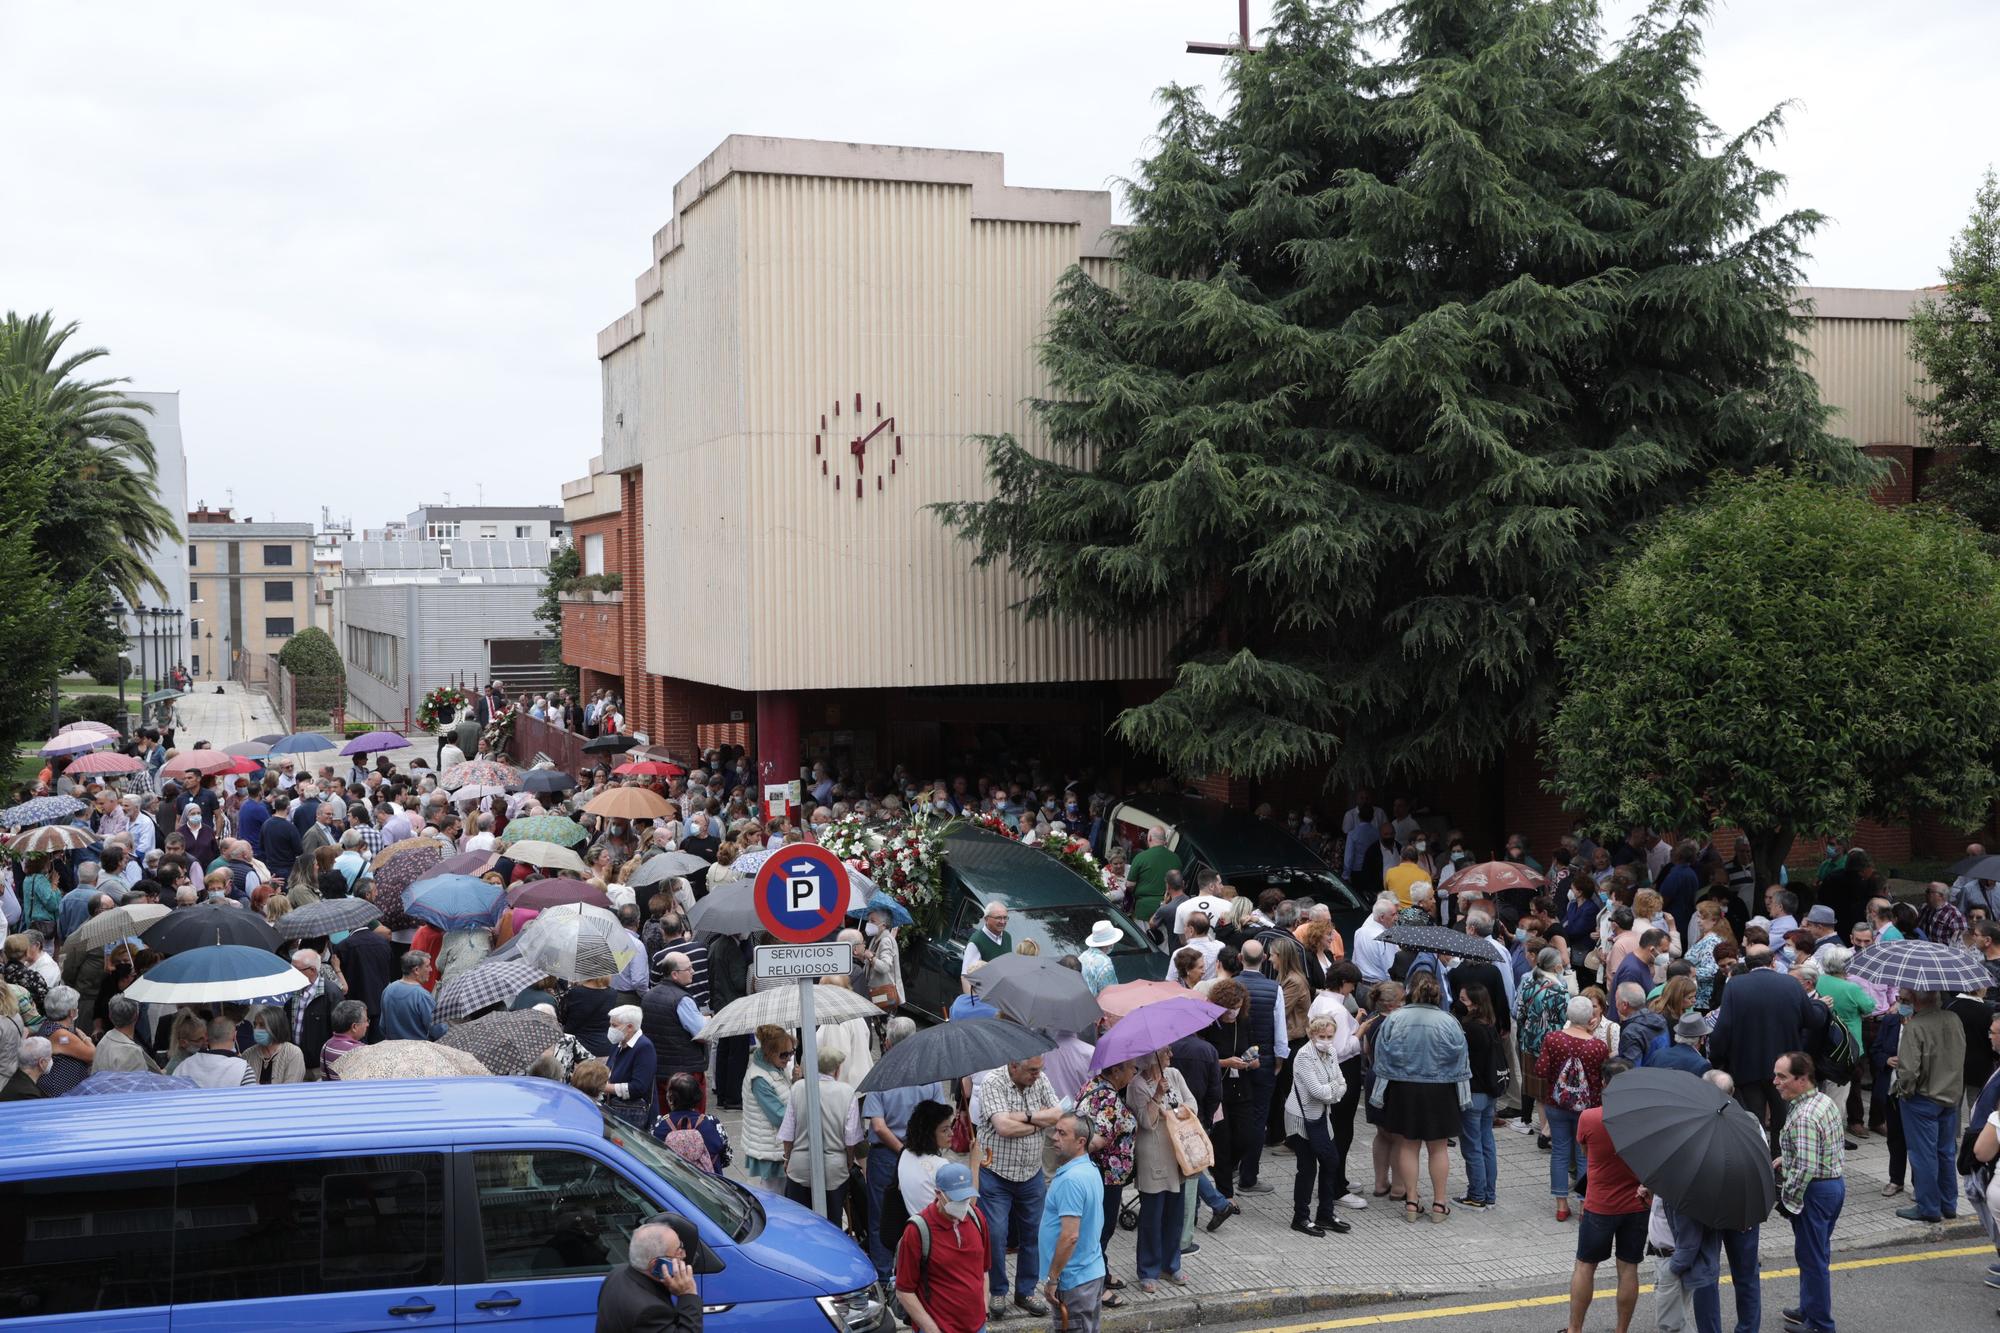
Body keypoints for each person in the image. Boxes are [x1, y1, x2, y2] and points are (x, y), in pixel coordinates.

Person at [1369, 971, 1469, 1222]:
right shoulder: (1449, 1021)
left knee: (1407, 1145)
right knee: (1438, 1149)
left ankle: (1411, 1202)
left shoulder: (1395, 1019)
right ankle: (1439, 1204)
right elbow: (1461, 1059)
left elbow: (1381, 1055)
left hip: (1404, 1089)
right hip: (1440, 1090)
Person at [861, 1017, 947, 1284]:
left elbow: (878, 1124)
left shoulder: (880, 1074)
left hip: (888, 1156)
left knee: (881, 1217)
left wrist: (902, 1151)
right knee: (924, 1214)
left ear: (887, 1042)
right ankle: (921, 1270)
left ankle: (886, 1278)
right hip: (924, 1155)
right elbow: (941, 1116)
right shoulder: (929, 1073)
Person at [977, 1055, 1061, 1319]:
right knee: (996, 1236)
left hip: (1031, 1173)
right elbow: (1003, 1127)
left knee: (1034, 1235)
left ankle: (1025, 1291)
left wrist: (1023, 1117)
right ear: (1014, 1066)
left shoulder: (1041, 1079)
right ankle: (998, 1291)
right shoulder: (993, 1082)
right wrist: (1038, 1124)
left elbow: (1058, 1114)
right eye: (1031, 1070)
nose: (1037, 1075)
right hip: (995, 1174)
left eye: (1039, 1070)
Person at [1563, 1058, 1643, 1333]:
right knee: (1629, 1267)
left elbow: (1586, 1154)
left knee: (1585, 1265)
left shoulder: (1590, 1117)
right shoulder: (1644, 1119)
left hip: (1600, 1205)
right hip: (1636, 1203)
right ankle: (1621, 1329)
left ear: (1604, 1084)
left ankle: (1575, 1329)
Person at [1710, 946, 1823, 1137]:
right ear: (1773, 962)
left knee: (1754, 1120)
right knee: (1784, 1118)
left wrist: (1717, 1058)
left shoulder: (1735, 985)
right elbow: (1812, 1019)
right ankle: (1780, 1158)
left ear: (1746, 963)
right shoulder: (1791, 984)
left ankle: (1759, 1159)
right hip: (1785, 1067)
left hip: (1747, 1066)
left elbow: (1723, 1028)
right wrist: (1820, 1005)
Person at [1775, 1050, 1846, 1333]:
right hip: (1832, 1186)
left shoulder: (1803, 1115)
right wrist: (1786, 1158)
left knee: (1813, 1259)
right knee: (1812, 1254)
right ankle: (1808, 1309)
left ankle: (1819, 1324)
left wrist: (1787, 1200)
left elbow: (1805, 1167)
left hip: (1814, 1192)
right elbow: (1822, 1146)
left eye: (1782, 1077)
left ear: (1802, 1079)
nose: (1775, 1082)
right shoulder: (1821, 1100)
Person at [1895, 988, 1966, 1224]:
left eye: (1904, 998)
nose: (1902, 1002)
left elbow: (1908, 1071)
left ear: (1915, 999)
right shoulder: (1954, 1018)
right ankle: (1949, 1203)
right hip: (1950, 1095)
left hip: (1923, 1098)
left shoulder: (1915, 1026)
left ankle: (1928, 1207)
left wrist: (1905, 1091)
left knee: (1923, 1155)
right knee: (1946, 1152)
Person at [1127, 1047, 1194, 1294]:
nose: (1171, 1055)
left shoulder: (1174, 1075)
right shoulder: (1137, 1085)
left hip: (1178, 1152)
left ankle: (1171, 1264)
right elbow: (1146, 1121)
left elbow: (1192, 1103)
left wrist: (1174, 1113)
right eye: (1166, 1051)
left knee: (1175, 1215)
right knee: (1151, 1218)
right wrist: (1157, 1096)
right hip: (1153, 1155)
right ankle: (1148, 1270)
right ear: (1150, 1056)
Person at [1538, 996, 1610, 1222]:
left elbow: (1541, 1069)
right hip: (1587, 1109)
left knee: (1559, 1152)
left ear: (1568, 1016)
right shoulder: (1598, 1046)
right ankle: (1584, 1206)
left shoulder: (1553, 1039)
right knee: (1585, 1155)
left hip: (1556, 1104)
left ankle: (1561, 1206)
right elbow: (1603, 1078)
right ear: (1591, 1018)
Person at [894, 1162, 989, 1333]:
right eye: (956, 1198)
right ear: (938, 1193)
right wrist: (931, 1329)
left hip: (977, 1326)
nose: (962, 1203)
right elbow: (904, 1291)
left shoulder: (977, 1218)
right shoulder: (917, 1231)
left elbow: (983, 1270)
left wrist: (984, 1312)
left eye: (966, 1197)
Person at [1074, 1059, 1138, 1303]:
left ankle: (1103, 1271)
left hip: (1103, 1173)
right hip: (1104, 1174)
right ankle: (1095, 1286)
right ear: (1116, 1069)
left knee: (1098, 1227)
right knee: (1100, 1229)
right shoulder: (1109, 1098)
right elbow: (1097, 1139)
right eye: (1132, 1068)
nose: (1134, 1072)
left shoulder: (1092, 1085)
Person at [1037, 1112, 1107, 1332]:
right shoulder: (1089, 1169)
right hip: (1090, 1274)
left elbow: (1070, 1236)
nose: (1054, 1137)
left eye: (1062, 1133)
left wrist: (1052, 1278)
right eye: (1055, 1131)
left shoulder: (1071, 1180)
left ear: (1080, 1142)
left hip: (1073, 1281)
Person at [1286, 1011, 1355, 1233]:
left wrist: (1332, 1090)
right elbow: (1318, 1092)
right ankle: (1301, 1218)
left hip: (1322, 1116)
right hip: (1302, 1118)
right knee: (1307, 1168)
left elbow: (1342, 1082)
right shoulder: (1304, 1056)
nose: (1326, 1041)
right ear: (1311, 1033)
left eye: (1329, 1036)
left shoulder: (1332, 1052)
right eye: (1321, 1036)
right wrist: (1334, 1090)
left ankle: (1325, 1214)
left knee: (1331, 1161)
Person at [779, 1047, 864, 1225]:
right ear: (837, 1069)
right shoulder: (847, 1092)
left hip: (799, 1166)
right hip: (834, 1169)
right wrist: (848, 1160)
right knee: (831, 1225)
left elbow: (788, 1133)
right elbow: (850, 1138)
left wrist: (787, 1158)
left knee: (799, 1223)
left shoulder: (798, 1088)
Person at [594, 1216, 702, 1333]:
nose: (684, 1255)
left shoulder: (616, 1274)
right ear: (657, 1264)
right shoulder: (650, 1311)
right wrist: (687, 1295)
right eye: (678, 1252)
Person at [1454, 983, 1504, 1210]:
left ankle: (1476, 1195)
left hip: (1473, 1093)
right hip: (1490, 1093)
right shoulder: (1490, 1025)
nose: (1460, 1003)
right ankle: (1489, 1194)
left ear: (1474, 1003)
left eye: (1464, 1000)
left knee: (1472, 1146)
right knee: (1486, 1144)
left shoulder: (1470, 1028)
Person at [740, 1026, 795, 1192]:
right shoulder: (759, 1078)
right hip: (772, 1147)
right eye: (784, 1054)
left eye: (791, 1053)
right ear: (769, 1052)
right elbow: (778, 1116)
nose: (789, 1059)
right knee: (775, 1197)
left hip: (776, 1144)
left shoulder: (776, 1068)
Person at [654, 1073, 731, 1174]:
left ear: (670, 1098)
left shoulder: (660, 1124)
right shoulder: (712, 1123)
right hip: (710, 1184)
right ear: (698, 1096)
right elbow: (727, 1157)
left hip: (672, 1185)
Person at [604, 1004, 660, 1129]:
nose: (611, 1029)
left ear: (629, 1027)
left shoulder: (644, 1047)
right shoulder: (618, 1043)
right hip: (617, 1110)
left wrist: (606, 1087)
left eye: (614, 1025)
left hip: (635, 1115)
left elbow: (639, 1087)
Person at [380, 950, 445, 1040]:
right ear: (416, 970)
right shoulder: (422, 996)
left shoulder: (388, 990)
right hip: (418, 1050)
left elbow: (382, 1026)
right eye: (427, 966)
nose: (431, 969)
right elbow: (438, 1030)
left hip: (393, 1048)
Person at [178, 1015, 256, 1087]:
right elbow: (251, 1100)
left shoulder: (183, 1067)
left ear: (206, 1036)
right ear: (234, 1036)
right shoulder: (243, 1070)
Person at [91, 994, 161, 1074]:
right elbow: (138, 1084)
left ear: (110, 1016)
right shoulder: (132, 1051)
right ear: (136, 1015)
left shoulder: (103, 1041)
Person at [243, 1005, 306, 1085]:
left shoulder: (293, 1053)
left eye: (262, 1025)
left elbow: (291, 1089)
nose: (256, 1029)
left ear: (275, 1027)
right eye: (255, 1024)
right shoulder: (248, 1054)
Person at [1129, 826, 1179, 926]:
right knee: (1164, 941)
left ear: (1149, 838)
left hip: (1144, 910)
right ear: (1164, 839)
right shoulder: (1176, 858)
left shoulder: (1140, 857)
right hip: (1169, 908)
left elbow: (1130, 885)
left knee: (1144, 940)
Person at [960, 900, 1012, 994]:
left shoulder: (1007, 937)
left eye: (1005, 918)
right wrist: (973, 1004)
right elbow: (966, 977)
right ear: (986, 919)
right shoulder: (976, 942)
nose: (1003, 922)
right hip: (985, 998)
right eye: (998, 918)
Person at [319, 999, 369, 1077]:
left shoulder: (326, 1046)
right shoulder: (361, 1052)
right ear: (354, 1027)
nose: (367, 1024)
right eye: (366, 1021)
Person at [1, 1036, 50, 1100]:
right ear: (41, 1062)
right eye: (50, 1057)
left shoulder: (12, 1076)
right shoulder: (28, 1094)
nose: (51, 1061)